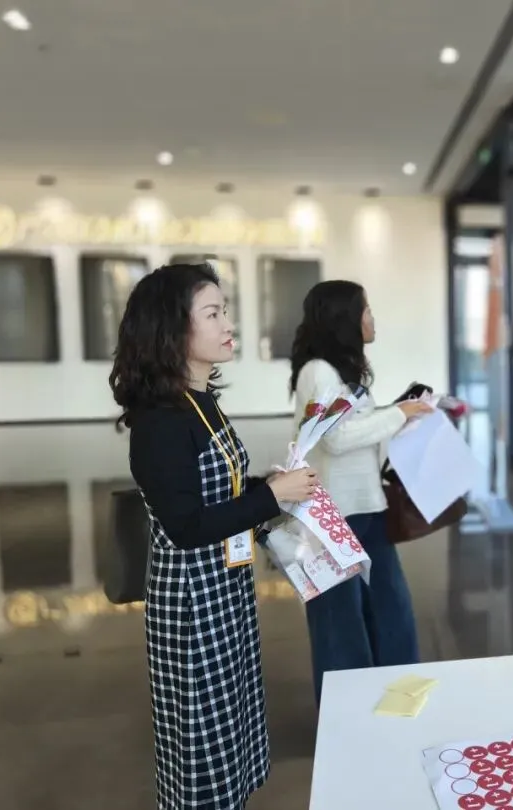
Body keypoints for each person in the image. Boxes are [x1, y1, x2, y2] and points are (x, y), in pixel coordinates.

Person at [110, 263, 317, 810]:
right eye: (213, 313)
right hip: (192, 604)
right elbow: (186, 527)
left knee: (230, 728)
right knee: (199, 741)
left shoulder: (199, 401)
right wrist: (270, 498)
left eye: (225, 311)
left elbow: (217, 493)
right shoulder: (160, 421)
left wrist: (268, 487)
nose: (229, 324)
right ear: (172, 330)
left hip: (225, 590)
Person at [289, 279, 431, 705]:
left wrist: (402, 415)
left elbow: (353, 431)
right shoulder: (318, 372)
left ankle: (397, 701)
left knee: (390, 613)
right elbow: (334, 438)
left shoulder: (342, 373)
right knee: (340, 626)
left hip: (365, 509)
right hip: (331, 518)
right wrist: (397, 414)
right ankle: (347, 715)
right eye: (366, 309)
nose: (372, 318)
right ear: (345, 318)